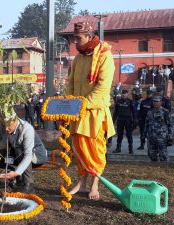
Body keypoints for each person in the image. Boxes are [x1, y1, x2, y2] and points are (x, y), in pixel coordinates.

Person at [66, 21, 115, 200]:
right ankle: (82, 182)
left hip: (94, 113)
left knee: (95, 150)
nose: (76, 42)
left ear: (89, 36)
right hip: (78, 112)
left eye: (79, 38)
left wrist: (81, 105)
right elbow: (69, 83)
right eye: (74, 39)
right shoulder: (78, 58)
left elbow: (102, 88)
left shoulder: (104, 56)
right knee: (78, 148)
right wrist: (68, 104)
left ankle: (95, 183)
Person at [0, 109, 47, 193]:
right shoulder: (1, 126)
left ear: (15, 121)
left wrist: (17, 172)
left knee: (20, 151)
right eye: (3, 125)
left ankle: (28, 184)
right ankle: (18, 179)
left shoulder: (27, 129)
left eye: (9, 125)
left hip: (36, 156)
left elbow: (28, 155)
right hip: (17, 153)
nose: (6, 129)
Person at [144, 96, 173, 161]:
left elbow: (170, 125)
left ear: (161, 102)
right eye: (154, 101)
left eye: (157, 101)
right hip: (151, 136)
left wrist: (170, 135)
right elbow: (146, 124)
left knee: (163, 155)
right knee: (152, 155)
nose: (155, 103)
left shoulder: (165, 112)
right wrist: (144, 134)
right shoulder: (149, 112)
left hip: (161, 137)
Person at [112, 90, 136, 154]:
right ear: (121, 94)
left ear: (127, 95)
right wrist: (113, 120)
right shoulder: (118, 101)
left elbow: (134, 112)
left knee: (129, 134)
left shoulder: (130, 102)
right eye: (123, 94)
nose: (124, 95)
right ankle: (118, 148)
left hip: (128, 120)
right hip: (120, 119)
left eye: (125, 94)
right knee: (119, 134)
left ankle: (130, 149)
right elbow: (115, 112)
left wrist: (135, 120)